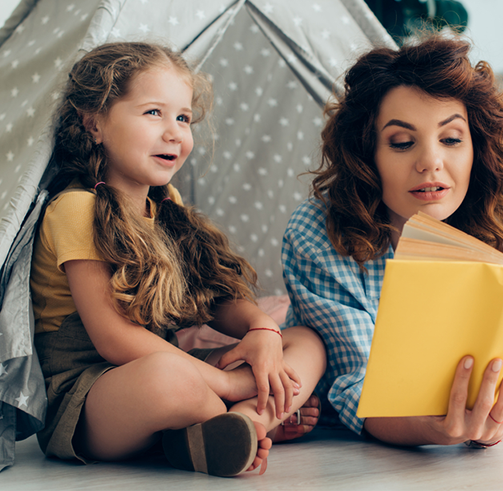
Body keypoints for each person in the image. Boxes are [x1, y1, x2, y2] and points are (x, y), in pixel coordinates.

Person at [30, 42, 326, 477]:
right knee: (169, 377)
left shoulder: (166, 205)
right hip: (92, 398)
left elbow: (212, 295)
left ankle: (243, 424)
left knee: (304, 340)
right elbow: (113, 340)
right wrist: (225, 382)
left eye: (183, 118)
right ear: (93, 124)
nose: (174, 132)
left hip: (177, 378)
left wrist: (261, 330)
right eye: (154, 113)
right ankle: (243, 413)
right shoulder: (77, 208)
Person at [282, 31, 503, 447]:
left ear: (476, 148)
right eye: (401, 142)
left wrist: (492, 415)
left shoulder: (501, 224)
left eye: (451, 139)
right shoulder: (316, 232)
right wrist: (433, 431)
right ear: (368, 155)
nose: (430, 162)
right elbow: (358, 385)